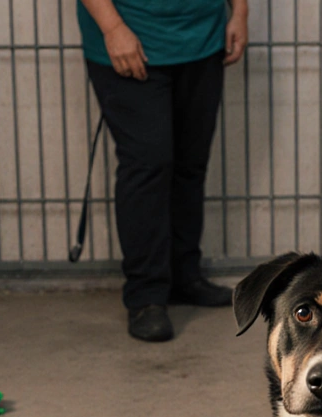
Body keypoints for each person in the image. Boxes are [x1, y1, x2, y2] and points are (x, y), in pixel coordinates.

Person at [77, 0, 249, 342]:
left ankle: (184, 276)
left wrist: (240, 13)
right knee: (147, 165)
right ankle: (146, 297)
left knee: (190, 163)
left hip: (203, 38)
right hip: (131, 37)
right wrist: (113, 28)